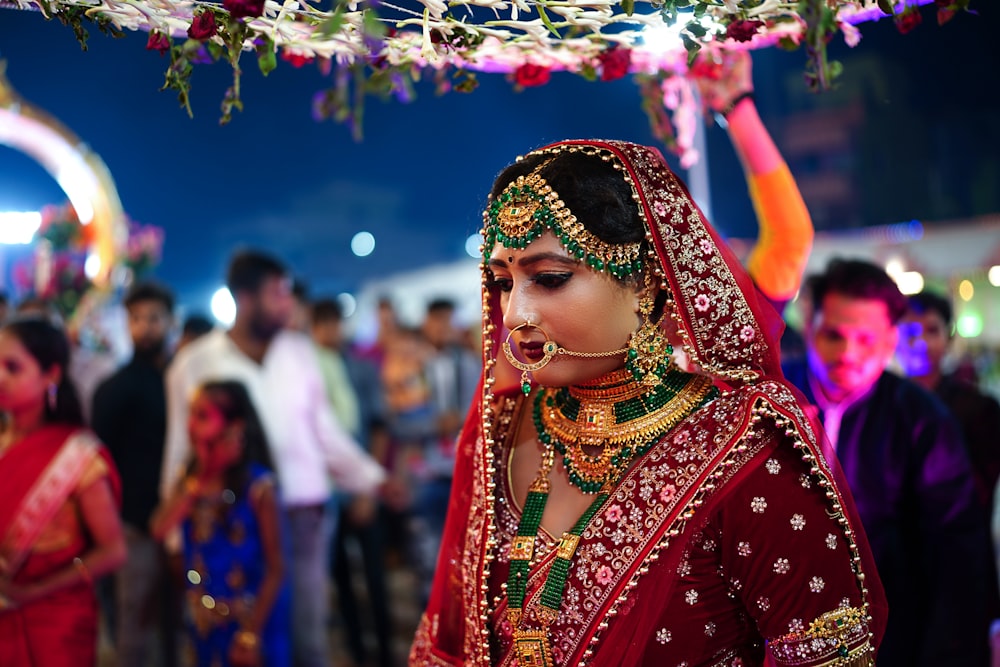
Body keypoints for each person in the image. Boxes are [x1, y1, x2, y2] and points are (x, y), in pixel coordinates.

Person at [409, 139, 887, 666]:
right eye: (503, 282)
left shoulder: (745, 445)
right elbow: (448, 645)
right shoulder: (499, 425)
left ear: (648, 283)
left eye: (549, 279)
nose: (516, 312)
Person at [160, 249, 386, 667]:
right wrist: (176, 537)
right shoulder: (194, 365)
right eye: (278, 293)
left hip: (303, 512)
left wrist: (371, 479)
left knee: (307, 634)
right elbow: (180, 449)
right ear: (245, 300)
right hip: (232, 519)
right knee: (240, 635)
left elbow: (325, 432)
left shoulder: (299, 352)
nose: (289, 303)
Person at [783, 259, 990, 666]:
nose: (847, 353)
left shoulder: (922, 421)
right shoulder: (774, 399)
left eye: (865, 339)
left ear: (890, 340)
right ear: (809, 326)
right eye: (833, 335)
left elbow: (956, 550)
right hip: (781, 627)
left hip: (893, 635)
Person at [0, 316, 127, 666]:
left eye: (13, 367)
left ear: (51, 375)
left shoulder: (78, 457)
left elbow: (113, 551)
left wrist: (33, 592)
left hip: (57, 623)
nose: (0, 378)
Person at [152, 380, 291, 667]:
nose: (191, 425)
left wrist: (251, 635)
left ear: (235, 427)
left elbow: (276, 569)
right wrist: (202, 475)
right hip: (204, 623)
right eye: (191, 414)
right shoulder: (192, 479)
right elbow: (159, 529)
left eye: (203, 416)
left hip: (249, 623)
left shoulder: (259, 486)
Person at [91, 281, 176, 667]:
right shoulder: (114, 389)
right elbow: (102, 462)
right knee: (136, 624)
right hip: (135, 527)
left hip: (182, 521)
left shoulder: (181, 380)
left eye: (154, 318)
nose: (145, 327)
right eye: (136, 319)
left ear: (170, 321)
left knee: (181, 617)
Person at [310, 297, 396, 667]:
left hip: (361, 484)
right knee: (342, 580)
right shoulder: (309, 371)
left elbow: (379, 428)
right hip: (328, 490)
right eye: (322, 324)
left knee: (376, 577)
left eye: (334, 323)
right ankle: (359, 654)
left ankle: (388, 651)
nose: (330, 331)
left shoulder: (360, 368)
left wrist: (368, 486)